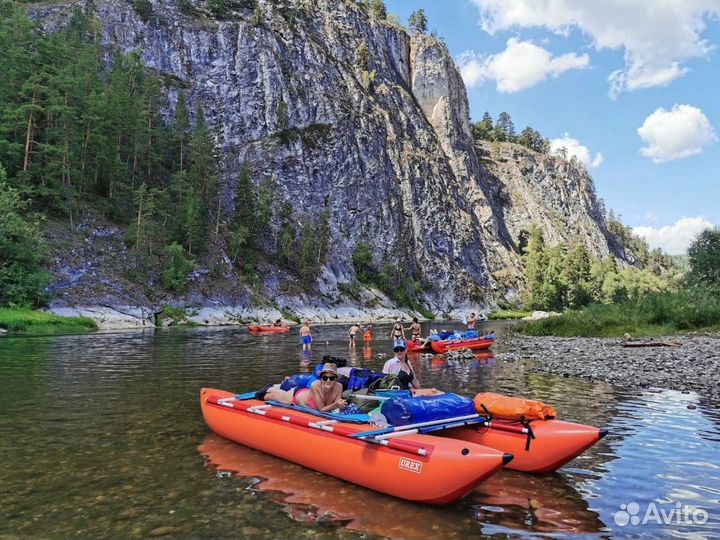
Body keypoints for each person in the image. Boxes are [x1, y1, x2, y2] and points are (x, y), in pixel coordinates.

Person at [261, 363, 346, 412]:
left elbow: (337, 405)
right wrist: (336, 404)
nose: (328, 380)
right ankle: (269, 388)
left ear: (335, 379)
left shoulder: (339, 387)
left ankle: (275, 387)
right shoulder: (315, 386)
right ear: (321, 378)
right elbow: (322, 409)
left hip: (307, 395)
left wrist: (341, 405)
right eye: (325, 378)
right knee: (268, 396)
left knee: (277, 394)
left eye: (331, 378)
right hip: (298, 396)